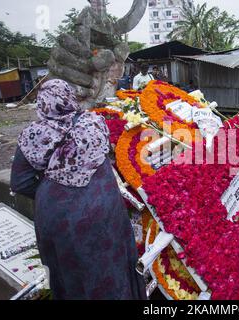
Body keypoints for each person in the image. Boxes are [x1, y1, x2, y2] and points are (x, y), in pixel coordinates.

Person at [10, 79, 147, 300]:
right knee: (111, 267)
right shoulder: (93, 123)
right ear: (69, 98)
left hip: (58, 217)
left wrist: (54, 189)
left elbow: (20, 183)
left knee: (69, 274)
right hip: (104, 210)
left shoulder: (32, 136)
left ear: (42, 103)